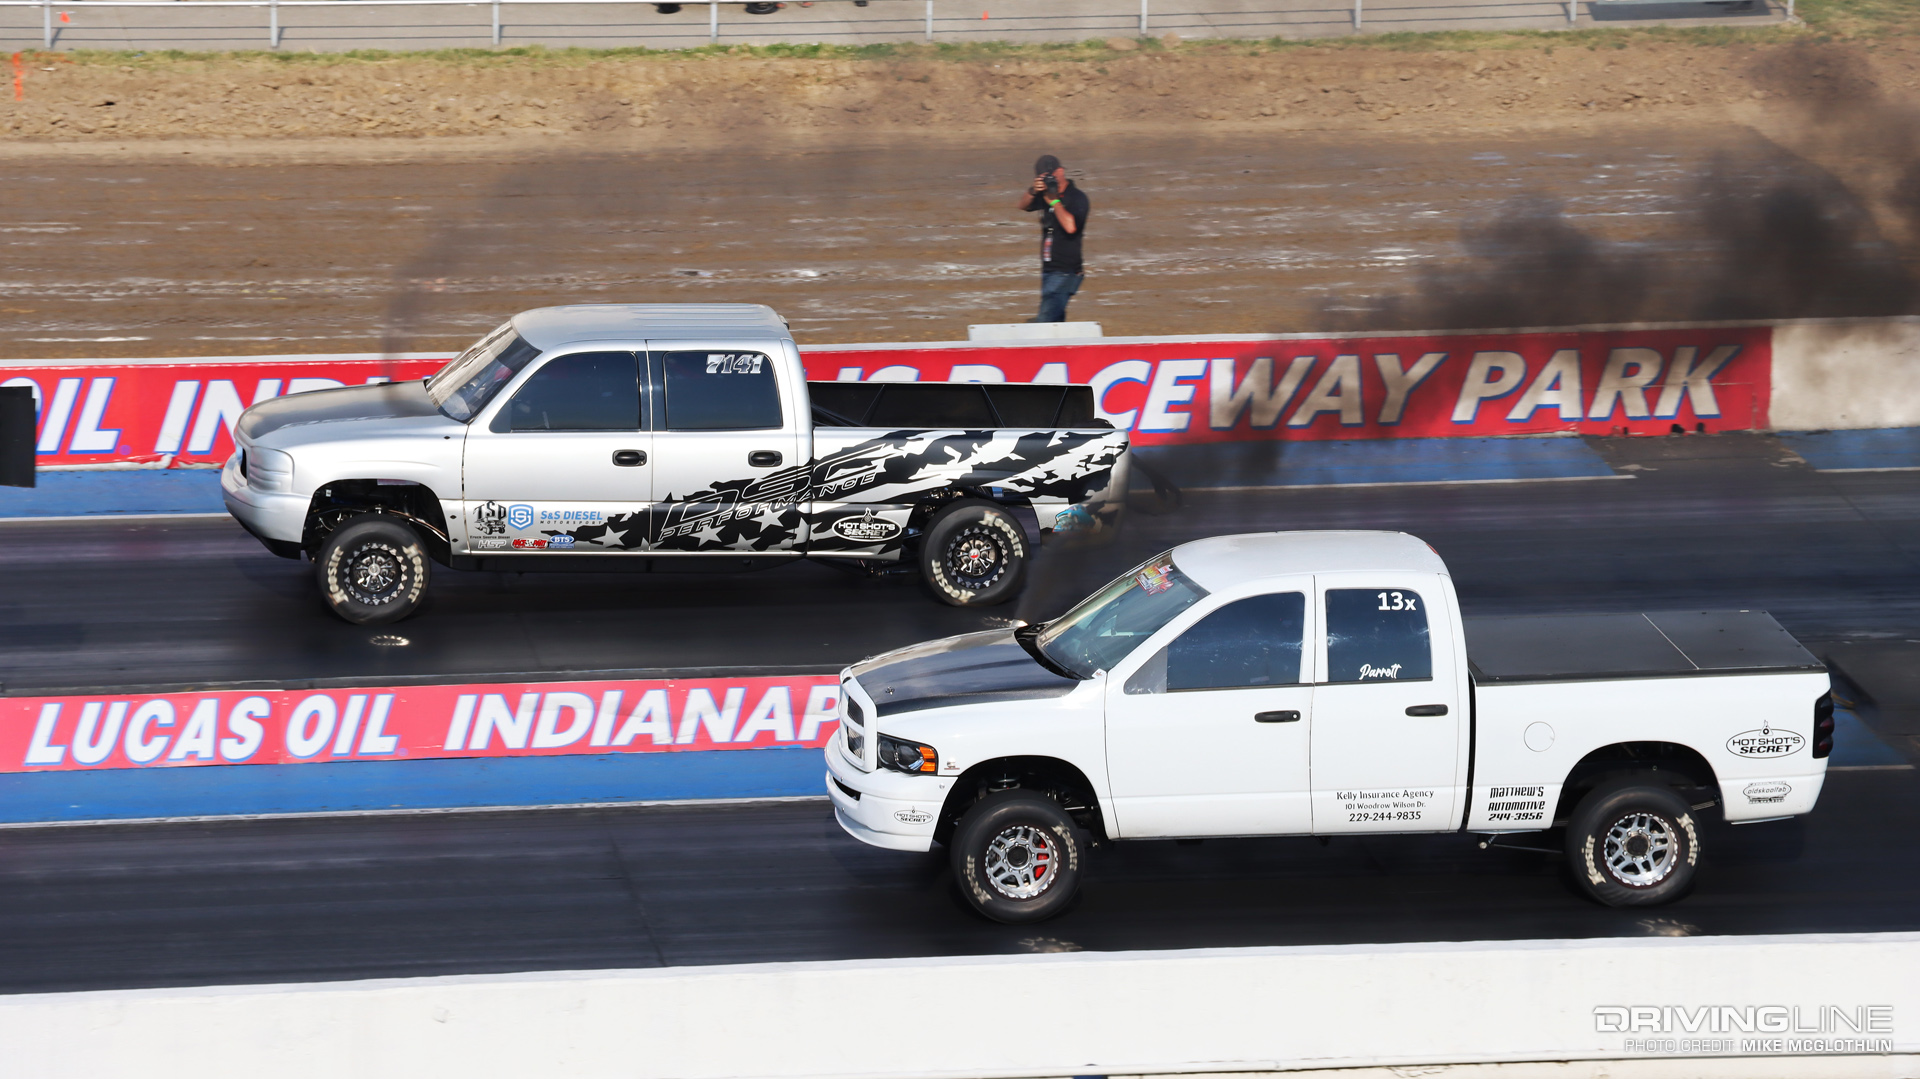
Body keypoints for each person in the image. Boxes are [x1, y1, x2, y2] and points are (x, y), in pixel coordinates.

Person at [1018, 154, 1090, 323]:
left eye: (1052, 175)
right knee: (1055, 322)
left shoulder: (1077, 197)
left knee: (1045, 322)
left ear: (1061, 171)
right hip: (1049, 269)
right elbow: (1022, 206)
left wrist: (1054, 201)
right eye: (1044, 177)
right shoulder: (1044, 195)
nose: (1050, 179)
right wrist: (1033, 190)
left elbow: (1070, 227)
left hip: (1067, 271)